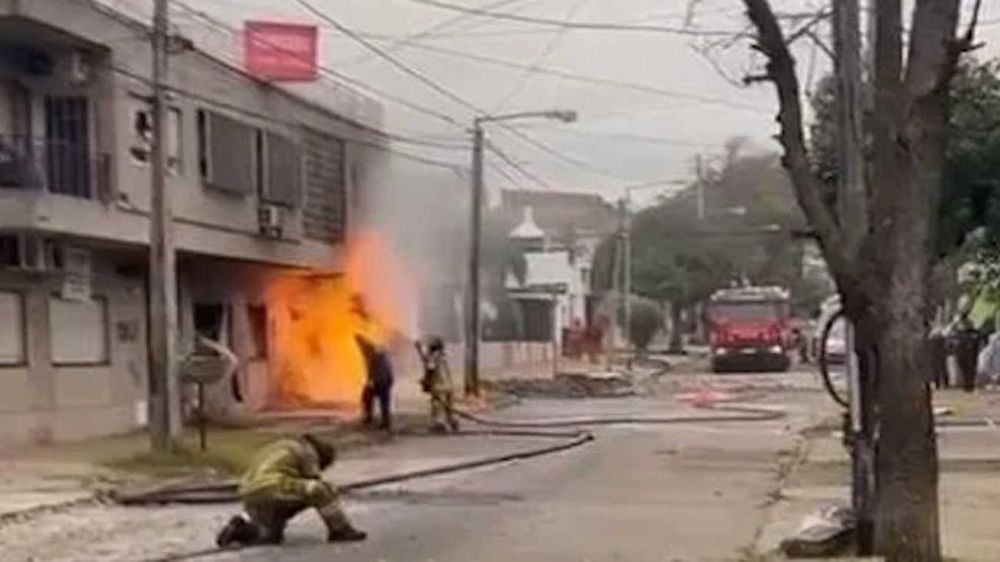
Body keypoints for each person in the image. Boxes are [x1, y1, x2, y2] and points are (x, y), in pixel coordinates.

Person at [215, 433, 366, 548]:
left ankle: (241, 529)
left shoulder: (277, 446)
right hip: (275, 487)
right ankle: (340, 530)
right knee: (323, 490)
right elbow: (314, 481)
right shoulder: (308, 451)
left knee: (270, 537)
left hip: (250, 492)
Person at [415, 336, 459, 433]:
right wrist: (419, 350)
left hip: (439, 387)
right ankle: (453, 422)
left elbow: (430, 368)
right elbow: (427, 361)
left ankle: (439, 425)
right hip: (449, 386)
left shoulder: (434, 357)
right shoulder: (444, 356)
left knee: (437, 407)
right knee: (449, 408)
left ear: (433, 347)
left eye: (429, 347)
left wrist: (426, 382)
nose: (428, 348)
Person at [357, 335, 394, 430]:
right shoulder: (378, 354)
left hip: (382, 381)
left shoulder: (373, 356)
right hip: (385, 380)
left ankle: (379, 420)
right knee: (378, 399)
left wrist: (370, 381)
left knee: (371, 397)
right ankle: (381, 420)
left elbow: (372, 371)